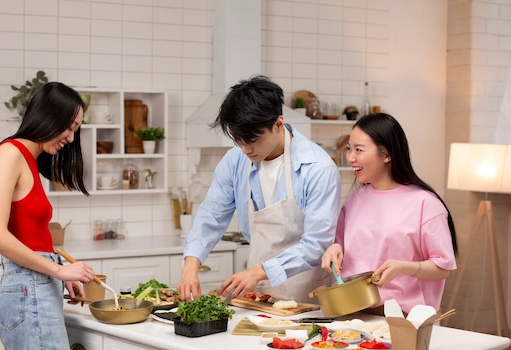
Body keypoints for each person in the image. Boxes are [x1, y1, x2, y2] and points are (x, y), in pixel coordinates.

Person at [177, 75, 341, 303]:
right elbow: (211, 216)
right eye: (238, 141)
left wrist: (257, 272)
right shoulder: (235, 160)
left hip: (305, 295)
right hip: (256, 293)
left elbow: (316, 244)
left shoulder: (317, 168)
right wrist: (190, 266)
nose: (245, 149)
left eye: (252, 140)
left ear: (278, 124)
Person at [0, 82, 96, 350]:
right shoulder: (10, 153)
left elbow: (29, 234)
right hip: (27, 290)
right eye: (70, 127)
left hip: (33, 287)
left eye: (77, 129)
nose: (71, 138)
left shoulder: (29, 161)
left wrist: (59, 268)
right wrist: (58, 270)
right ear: (50, 116)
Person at [321, 112, 458, 314]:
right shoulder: (355, 199)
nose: (350, 157)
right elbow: (342, 243)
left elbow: (443, 268)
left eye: (358, 150)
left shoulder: (425, 203)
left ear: (386, 155)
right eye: (349, 149)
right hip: (353, 311)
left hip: (402, 318)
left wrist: (403, 267)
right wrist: (334, 248)